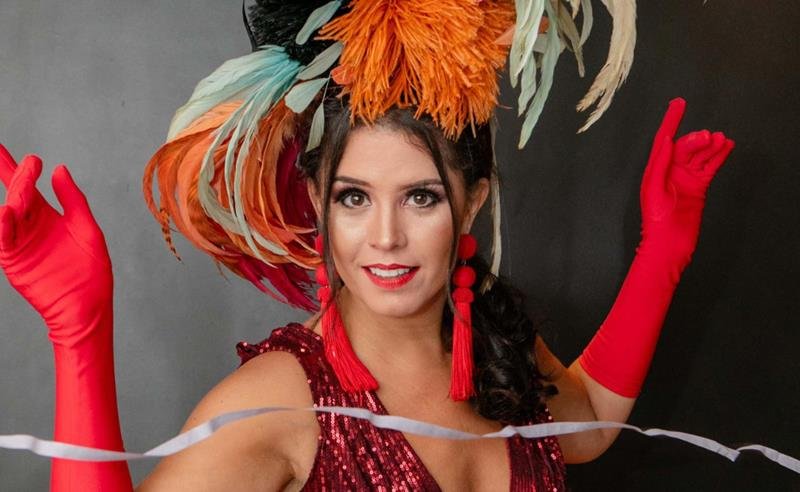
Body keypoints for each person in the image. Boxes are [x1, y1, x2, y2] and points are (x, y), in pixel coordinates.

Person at [0, 1, 735, 490]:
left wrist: (662, 252)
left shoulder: (495, 338)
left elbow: (586, 424)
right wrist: (78, 332)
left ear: (473, 200)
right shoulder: (280, 404)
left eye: (422, 197)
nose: (385, 237)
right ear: (320, 201)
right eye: (354, 197)